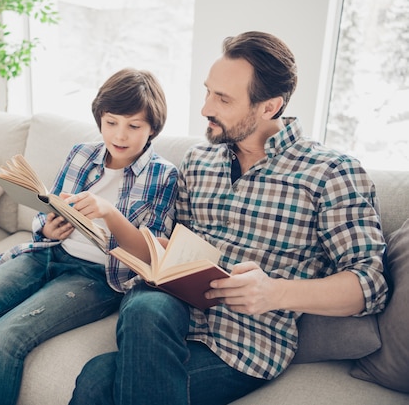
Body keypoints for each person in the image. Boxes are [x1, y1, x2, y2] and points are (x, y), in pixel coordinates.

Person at [70, 31, 390, 405]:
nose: (205, 107)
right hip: (168, 318)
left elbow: (370, 285)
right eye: (208, 91)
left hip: (244, 345)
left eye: (222, 99)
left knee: (96, 382)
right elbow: (173, 248)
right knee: (144, 304)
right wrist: (156, 250)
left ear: (269, 107)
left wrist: (275, 292)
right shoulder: (198, 161)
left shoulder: (331, 173)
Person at [0, 67, 179, 405]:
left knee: (3, 338)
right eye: (111, 122)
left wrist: (108, 212)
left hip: (95, 276)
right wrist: (46, 226)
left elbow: (150, 255)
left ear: (153, 129)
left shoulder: (164, 176)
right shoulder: (81, 154)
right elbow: (49, 207)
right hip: (47, 252)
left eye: (134, 126)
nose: (119, 135)